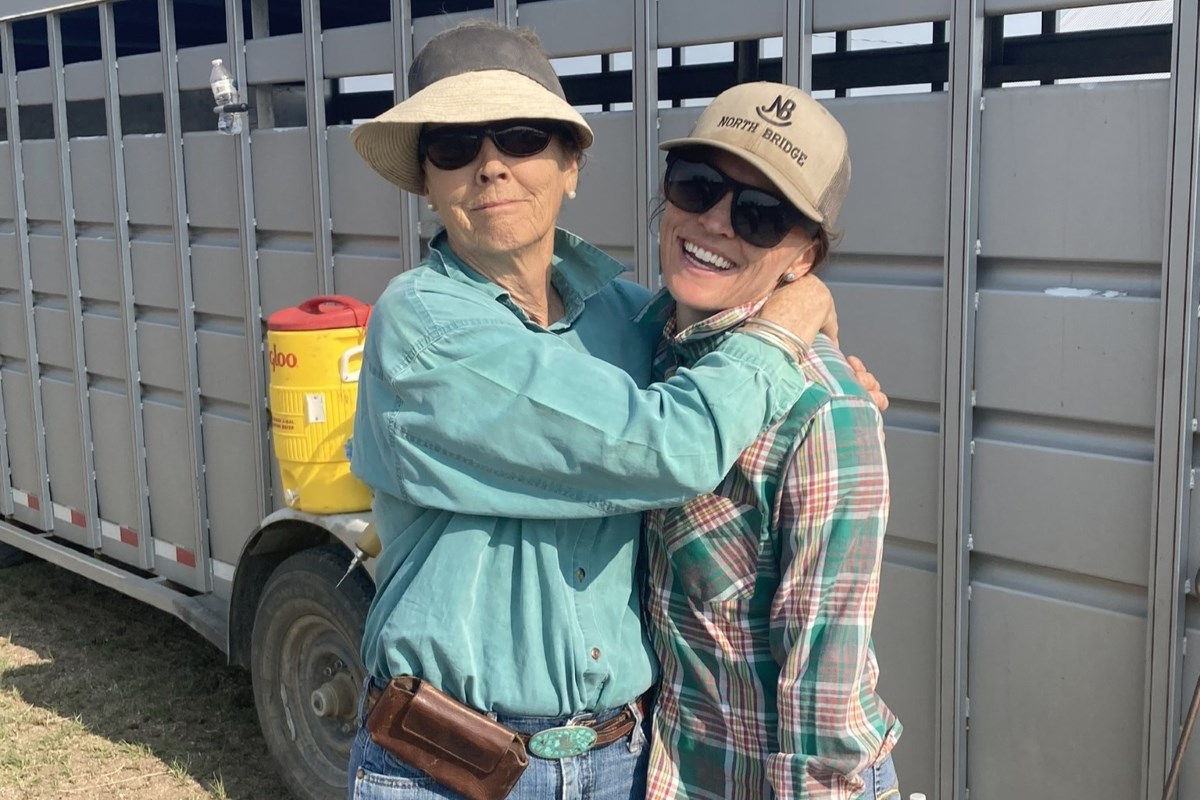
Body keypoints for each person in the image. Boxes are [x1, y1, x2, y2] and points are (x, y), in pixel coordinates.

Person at [346, 21, 881, 800]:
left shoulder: (631, 320)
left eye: (521, 137)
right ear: (428, 181)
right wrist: (793, 317)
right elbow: (663, 447)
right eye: (454, 146)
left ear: (571, 167)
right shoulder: (425, 327)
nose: (490, 165)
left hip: (623, 761)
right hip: (453, 767)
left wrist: (809, 333)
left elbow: (730, 338)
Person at [640, 82, 902, 800]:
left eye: (761, 215)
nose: (717, 222)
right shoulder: (642, 352)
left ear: (801, 258)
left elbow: (824, 713)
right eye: (697, 186)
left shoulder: (823, 416)